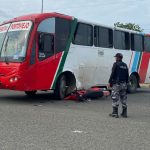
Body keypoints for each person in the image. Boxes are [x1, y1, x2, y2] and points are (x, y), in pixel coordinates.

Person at [109, 53, 129, 118]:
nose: (115, 58)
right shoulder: (125, 65)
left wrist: (110, 81)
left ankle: (115, 113)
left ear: (118, 58)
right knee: (123, 98)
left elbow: (113, 73)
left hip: (117, 84)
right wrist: (126, 83)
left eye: (116, 57)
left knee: (115, 97)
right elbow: (127, 75)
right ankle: (124, 113)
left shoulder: (116, 64)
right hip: (124, 84)